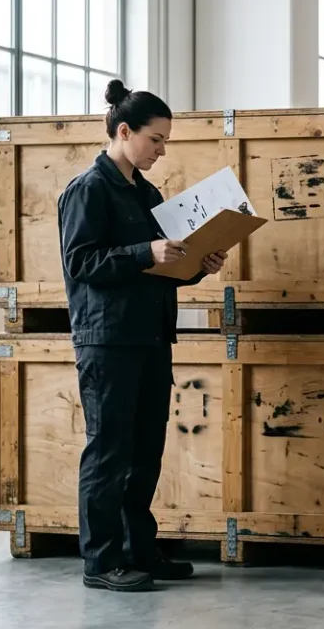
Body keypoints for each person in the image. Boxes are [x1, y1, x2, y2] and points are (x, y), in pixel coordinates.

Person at [57, 79, 227, 592]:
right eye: (156, 139)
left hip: (151, 336)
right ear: (124, 131)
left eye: (165, 141)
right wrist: (145, 253)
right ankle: (101, 561)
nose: (161, 149)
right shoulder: (88, 189)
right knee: (109, 450)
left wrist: (199, 263)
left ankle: (139, 551)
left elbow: (160, 263)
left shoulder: (146, 192)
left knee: (145, 449)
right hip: (108, 340)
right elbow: (81, 262)